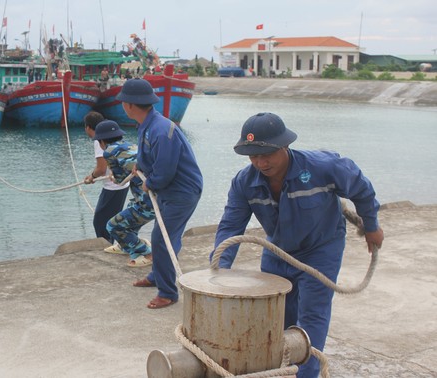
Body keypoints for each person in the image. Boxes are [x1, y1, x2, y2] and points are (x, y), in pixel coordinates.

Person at [210, 112, 385, 377]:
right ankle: (280, 368)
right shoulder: (244, 183)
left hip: (321, 248)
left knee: (311, 317)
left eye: (266, 154)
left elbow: (361, 188)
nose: (260, 162)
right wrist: (219, 266)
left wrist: (371, 226)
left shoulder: (323, 167)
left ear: (285, 146)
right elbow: (231, 225)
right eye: (253, 155)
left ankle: (307, 373)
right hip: (278, 250)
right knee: (276, 315)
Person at [117, 78, 203, 309]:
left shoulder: (160, 129)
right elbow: (151, 157)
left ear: (130, 105)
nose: (122, 105)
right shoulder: (148, 124)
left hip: (181, 192)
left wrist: (150, 182)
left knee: (161, 239)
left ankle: (167, 293)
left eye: (123, 102)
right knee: (168, 236)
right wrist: (141, 168)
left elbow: (164, 171)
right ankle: (158, 276)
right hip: (170, 191)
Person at [87, 120, 155, 267]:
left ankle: (146, 253)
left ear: (101, 141)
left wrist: (112, 175)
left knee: (112, 226)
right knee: (130, 208)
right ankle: (125, 245)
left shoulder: (109, 152)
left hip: (149, 203)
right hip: (155, 196)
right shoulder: (131, 146)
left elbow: (120, 180)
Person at [83, 111, 129, 244]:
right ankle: (112, 243)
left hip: (113, 187)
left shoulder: (99, 141)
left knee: (100, 222)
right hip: (122, 184)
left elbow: (101, 169)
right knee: (111, 220)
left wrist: (91, 177)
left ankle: (107, 246)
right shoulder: (111, 136)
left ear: (87, 127)